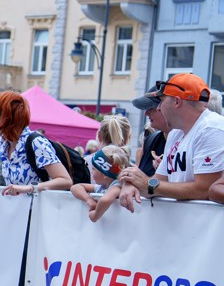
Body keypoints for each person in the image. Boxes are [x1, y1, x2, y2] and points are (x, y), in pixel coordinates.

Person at [118, 75, 224, 209]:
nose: (158, 108)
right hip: (185, 219)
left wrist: (146, 184)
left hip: (203, 220)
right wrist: (133, 185)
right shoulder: (176, 133)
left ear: (177, 102)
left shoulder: (212, 129)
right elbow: (158, 182)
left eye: (161, 101)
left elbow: (203, 190)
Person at [71, 146, 128, 222]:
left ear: (104, 174)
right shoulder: (102, 187)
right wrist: (89, 200)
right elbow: (75, 187)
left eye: (93, 169)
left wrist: (95, 215)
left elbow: (105, 200)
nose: (91, 172)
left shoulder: (116, 186)